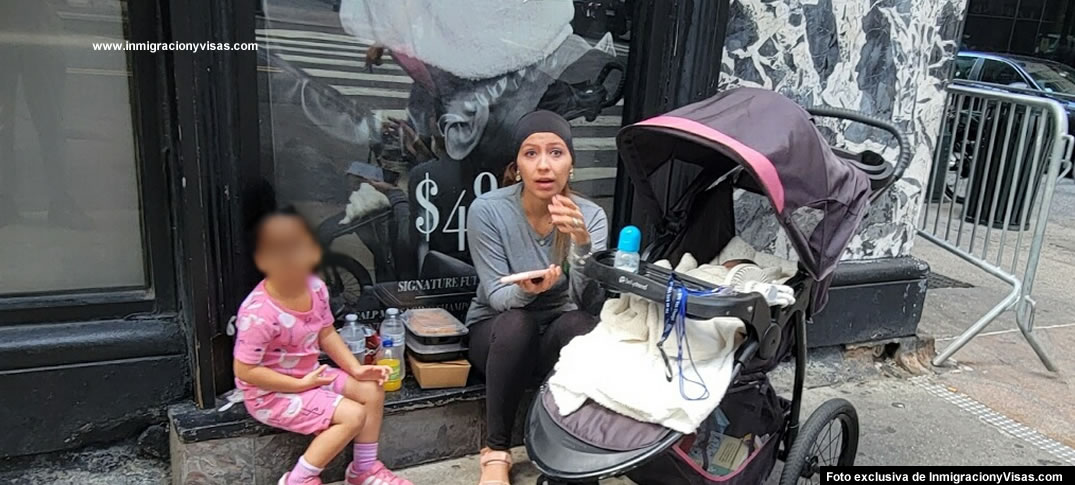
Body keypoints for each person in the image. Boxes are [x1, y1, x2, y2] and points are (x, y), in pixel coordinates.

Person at [465, 110, 608, 485]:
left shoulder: (589, 216)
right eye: (531, 154)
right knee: (517, 323)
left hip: (555, 337)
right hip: (497, 335)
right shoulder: (489, 210)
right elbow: (496, 297)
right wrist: (530, 291)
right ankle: (495, 451)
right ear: (517, 166)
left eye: (556, 153)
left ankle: (572, 449)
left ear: (571, 164)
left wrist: (581, 245)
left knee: (583, 325)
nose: (544, 166)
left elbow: (591, 302)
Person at [233, 208, 412, 485]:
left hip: (311, 376)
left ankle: (363, 470)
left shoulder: (315, 287)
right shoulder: (258, 314)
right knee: (353, 415)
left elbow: (326, 332)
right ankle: (299, 479)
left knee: (372, 389)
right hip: (272, 392)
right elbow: (246, 371)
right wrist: (299, 385)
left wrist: (356, 368)